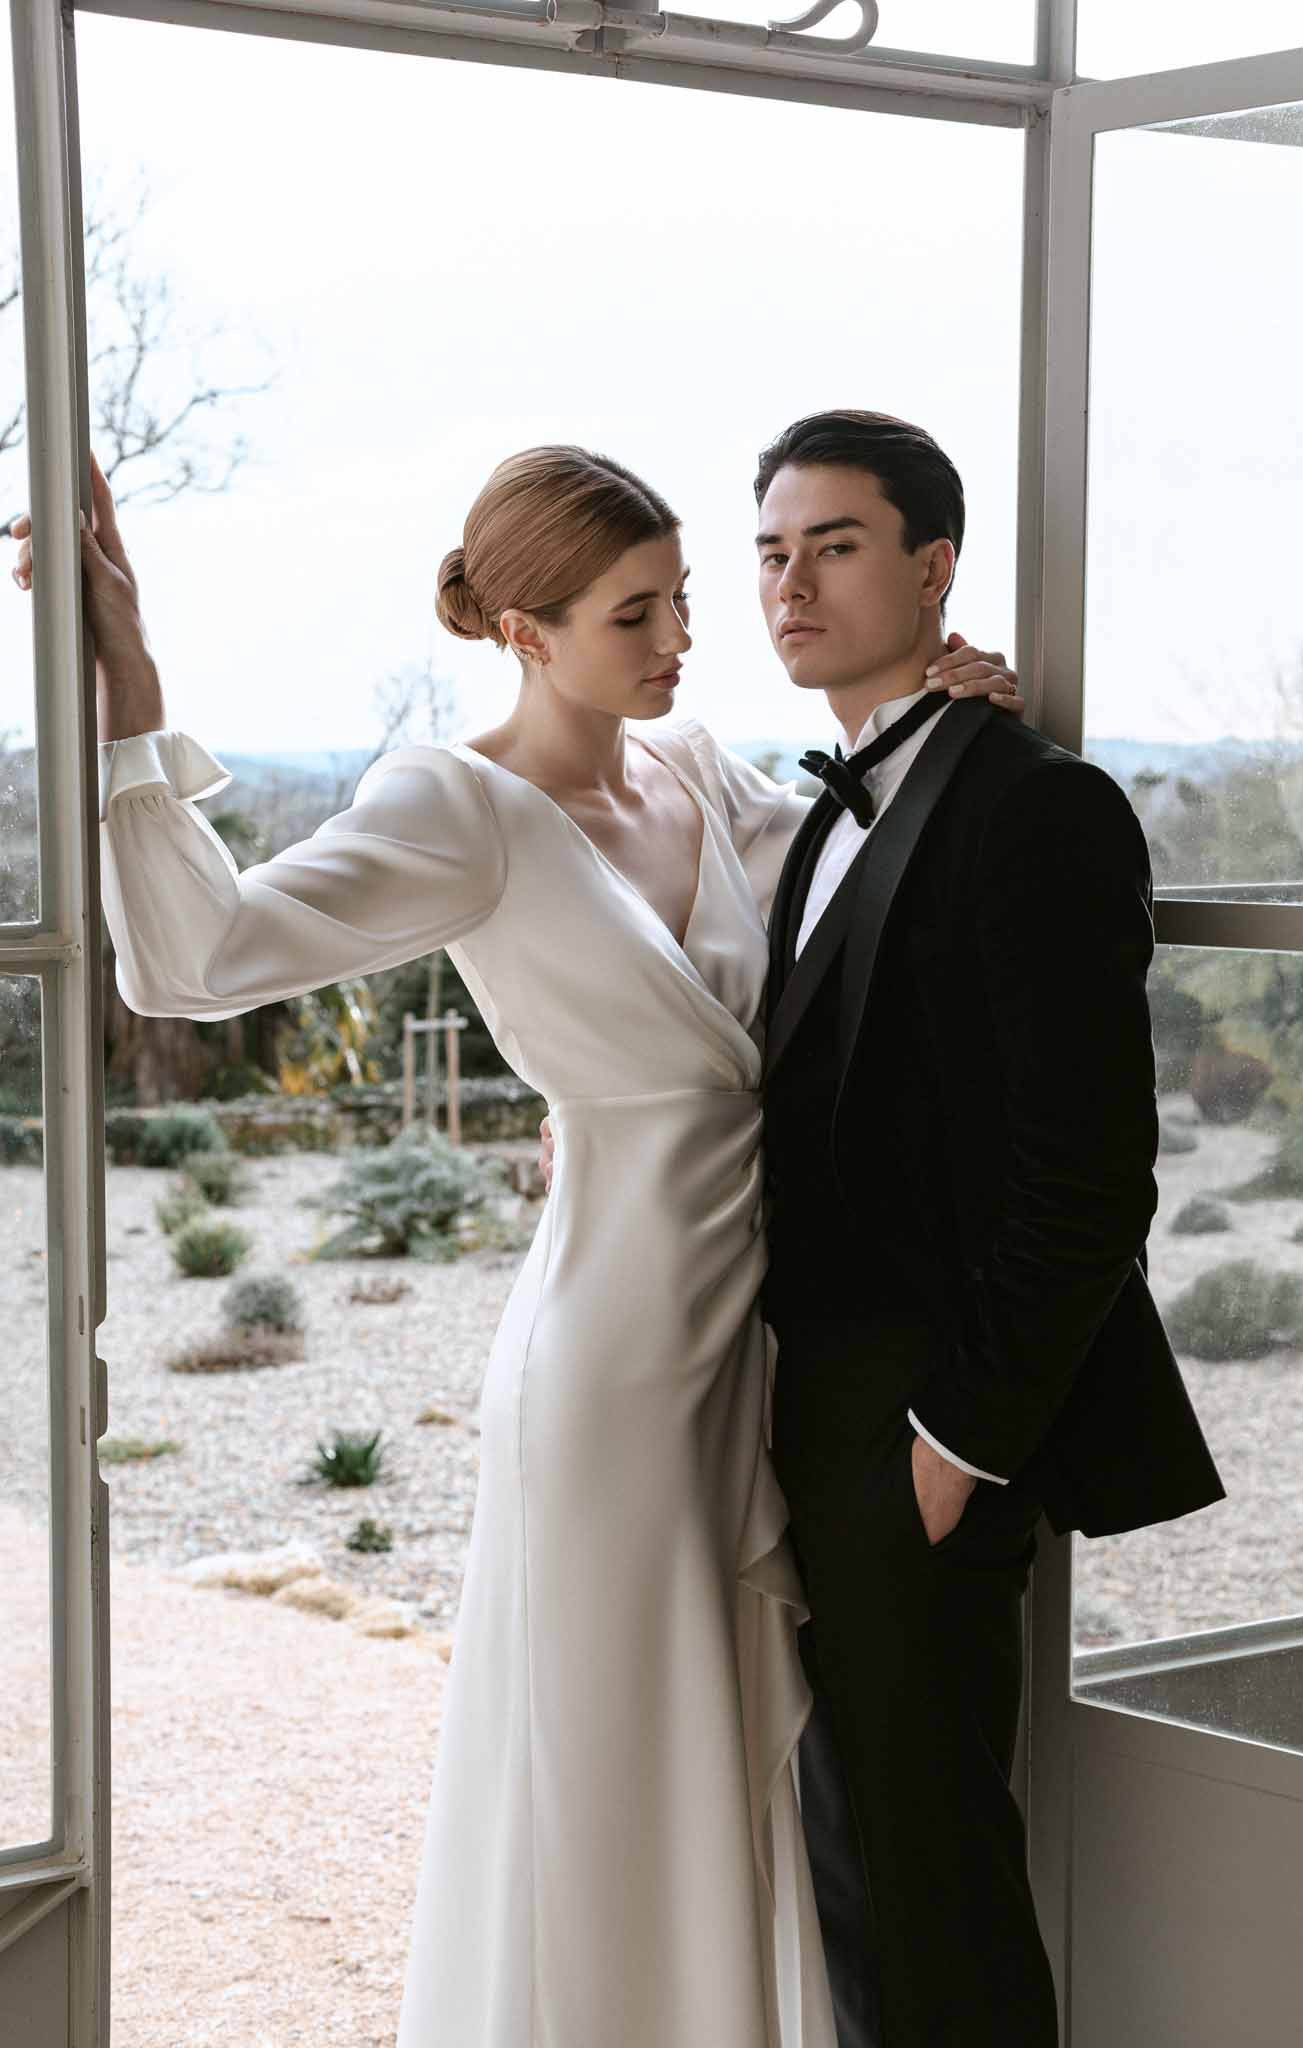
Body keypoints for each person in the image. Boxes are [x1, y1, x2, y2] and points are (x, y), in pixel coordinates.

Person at [9, 446, 1021, 2048]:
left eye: (682, 598)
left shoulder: (700, 775)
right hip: (612, 1365)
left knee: (726, 1759)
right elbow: (193, 961)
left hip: (762, 1344)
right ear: (522, 632)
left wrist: (952, 710)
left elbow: (872, 872)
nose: (680, 638)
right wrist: (128, 683)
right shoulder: (459, 809)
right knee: (609, 1769)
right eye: (633, 615)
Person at [753, 410, 1227, 2048]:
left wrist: (955, 1446)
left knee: (931, 1867)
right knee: (851, 1849)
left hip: (920, 1422)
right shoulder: (822, 804)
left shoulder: (1037, 806)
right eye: (771, 552)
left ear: (932, 567)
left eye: (835, 546)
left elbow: (1089, 1173)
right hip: (796, 1398)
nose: (790, 586)